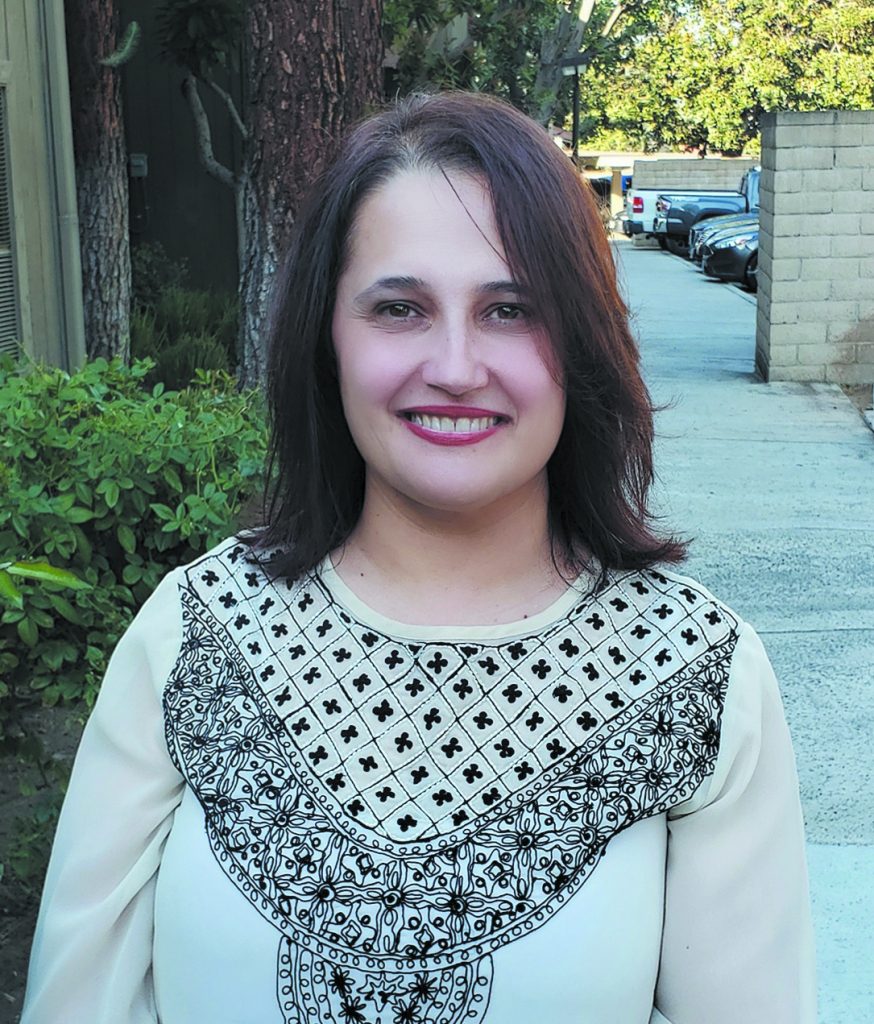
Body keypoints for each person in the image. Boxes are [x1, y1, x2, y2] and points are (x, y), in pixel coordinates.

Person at [22, 92, 816, 1024]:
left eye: (511, 309)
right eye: (399, 308)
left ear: (587, 339)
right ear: (329, 339)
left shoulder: (697, 672)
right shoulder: (194, 629)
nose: (454, 365)